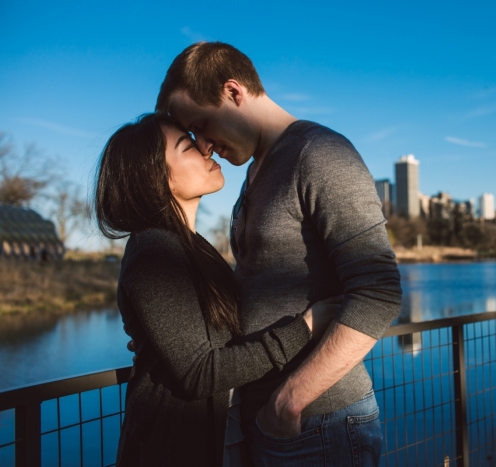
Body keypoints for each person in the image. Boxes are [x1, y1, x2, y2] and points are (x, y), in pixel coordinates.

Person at [156, 42, 403, 466]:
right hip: (268, 420)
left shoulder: (319, 154)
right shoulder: (254, 172)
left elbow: (379, 292)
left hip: (316, 422)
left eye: (202, 123)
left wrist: (289, 401)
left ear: (234, 92)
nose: (204, 146)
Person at [94, 113, 340, 467]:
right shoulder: (153, 251)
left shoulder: (194, 247)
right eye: (189, 147)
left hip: (219, 437)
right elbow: (199, 373)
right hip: (171, 449)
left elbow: (217, 336)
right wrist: (304, 329)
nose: (206, 151)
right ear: (158, 179)